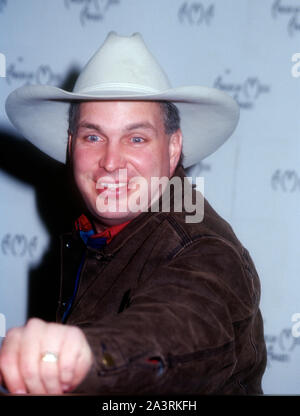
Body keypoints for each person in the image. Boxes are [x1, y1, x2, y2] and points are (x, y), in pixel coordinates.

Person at [0, 32, 266, 395]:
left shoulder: (201, 246)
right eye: (93, 137)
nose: (110, 162)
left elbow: (180, 324)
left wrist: (86, 354)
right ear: (70, 144)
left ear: (173, 149)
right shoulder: (93, 228)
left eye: (136, 138)